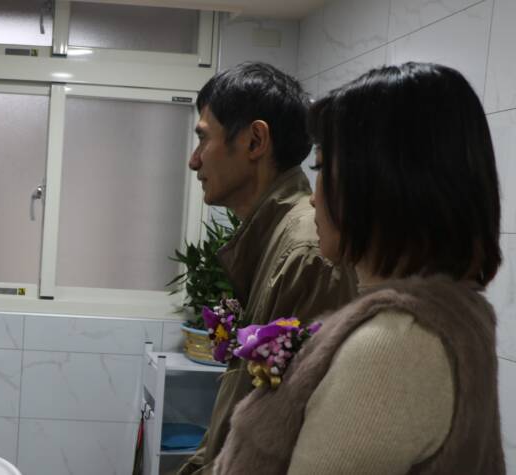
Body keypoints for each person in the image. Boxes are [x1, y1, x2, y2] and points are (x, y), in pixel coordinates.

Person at [215, 62, 505, 474]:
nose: (313, 198)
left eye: (321, 168)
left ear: (382, 183)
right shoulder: (446, 319)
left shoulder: (393, 349)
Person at [176, 62, 356, 475]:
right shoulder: (275, 237)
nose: (194, 161)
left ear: (255, 141)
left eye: (203, 139)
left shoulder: (306, 254)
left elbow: (292, 439)